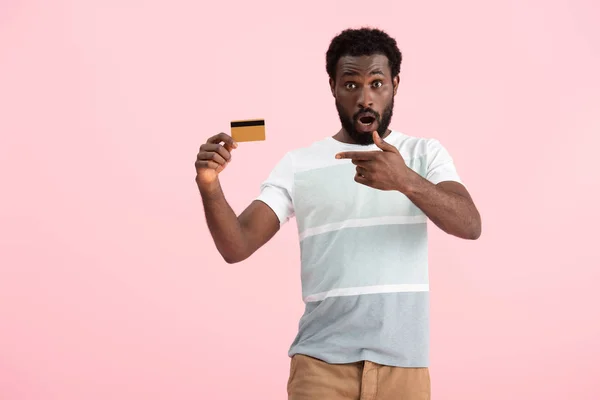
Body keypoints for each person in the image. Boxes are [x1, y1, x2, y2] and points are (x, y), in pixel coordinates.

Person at [195, 27, 482, 400]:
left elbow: (470, 224)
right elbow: (236, 245)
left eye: (377, 83)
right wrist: (209, 186)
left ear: (395, 84)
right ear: (332, 86)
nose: (365, 98)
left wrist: (406, 180)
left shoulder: (425, 154)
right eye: (351, 85)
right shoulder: (299, 164)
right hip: (320, 367)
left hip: (404, 368)